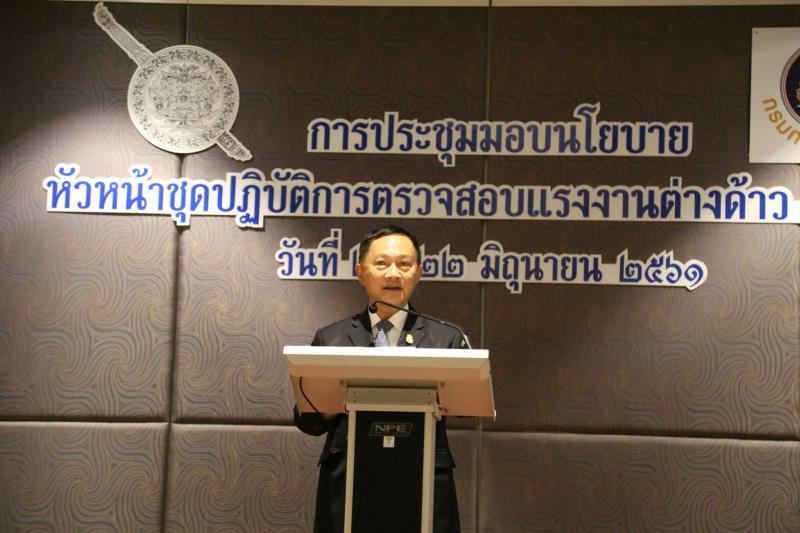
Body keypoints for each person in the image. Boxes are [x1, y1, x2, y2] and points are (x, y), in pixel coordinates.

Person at [294, 225, 463, 533]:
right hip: (348, 484)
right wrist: (334, 399)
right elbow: (309, 423)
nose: (393, 274)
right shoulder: (332, 338)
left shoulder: (446, 338)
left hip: (422, 482)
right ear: (361, 272)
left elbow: (466, 405)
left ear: (419, 273)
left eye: (404, 264)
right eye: (382, 263)